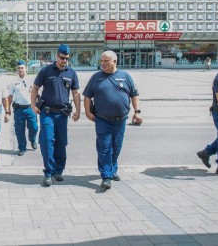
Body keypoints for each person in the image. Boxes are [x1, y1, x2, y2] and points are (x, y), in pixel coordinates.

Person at [82, 50, 142, 190]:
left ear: (114, 62)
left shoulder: (125, 76)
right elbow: (86, 96)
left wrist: (137, 112)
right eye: (101, 61)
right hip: (102, 120)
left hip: (120, 120)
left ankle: (112, 169)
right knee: (104, 148)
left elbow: (134, 94)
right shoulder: (96, 77)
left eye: (106, 61)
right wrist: (87, 112)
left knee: (116, 147)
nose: (102, 63)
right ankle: (106, 176)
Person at [31, 44, 81, 187]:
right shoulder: (46, 71)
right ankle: (48, 172)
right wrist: (33, 105)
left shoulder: (71, 72)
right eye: (62, 57)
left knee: (61, 142)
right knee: (47, 141)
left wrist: (78, 110)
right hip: (46, 113)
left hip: (62, 114)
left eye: (66, 58)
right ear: (56, 56)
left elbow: (76, 93)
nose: (64, 60)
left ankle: (58, 171)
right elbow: (35, 87)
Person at [7, 60, 38, 156]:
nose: (20, 70)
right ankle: (22, 148)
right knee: (19, 130)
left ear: (26, 69)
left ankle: (32, 139)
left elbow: (36, 93)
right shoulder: (13, 82)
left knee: (34, 127)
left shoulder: (32, 80)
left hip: (30, 108)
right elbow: (10, 96)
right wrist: (7, 110)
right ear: (17, 69)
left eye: (22, 68)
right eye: (19, 68)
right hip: (19, 109)